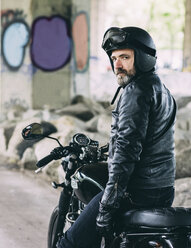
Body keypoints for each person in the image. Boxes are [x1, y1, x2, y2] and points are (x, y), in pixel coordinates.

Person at [57, 26, 177, 248]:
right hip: (162, 187)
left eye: (125, 57)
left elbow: (126, 151)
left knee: (69, 244)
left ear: (143, 59)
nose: (117, 65)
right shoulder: (160, 88)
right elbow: (147, 140)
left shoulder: (136, 91)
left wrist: (108, 205)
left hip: (137, 190)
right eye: (114, 58)